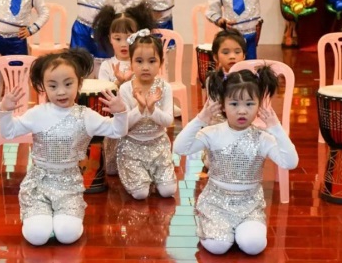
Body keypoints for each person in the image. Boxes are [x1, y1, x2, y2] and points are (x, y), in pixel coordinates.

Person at [0, 48, 128, 246]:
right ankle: (42, 218)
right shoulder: (37, 113)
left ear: (79, 83)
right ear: (43, 87)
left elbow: (118, 131)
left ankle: (60, 220)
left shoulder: (86, 116)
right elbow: (8, 132)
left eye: (68, 84)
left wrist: (121, 113)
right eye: (53, 85)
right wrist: (5, 110)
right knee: (37, 237)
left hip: (69, 186)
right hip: (38, 184)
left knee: (67, 235)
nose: (61, 91)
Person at [173, 66, 298, 256]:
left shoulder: (263, 138)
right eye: (234, 104)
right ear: (222, 105)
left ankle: (239, 231)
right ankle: (218, 228)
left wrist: (275, 127)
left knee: (253, 246)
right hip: (216, 203)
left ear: (259, 105)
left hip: (250, 205)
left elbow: (290, 162)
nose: (242, 111)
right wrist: (200, 119)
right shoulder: (213, 133)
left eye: (249, 104)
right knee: (218, 247)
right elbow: (180, 148)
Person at [92, 2, 155, 175]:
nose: (123, 44)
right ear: (109, 38)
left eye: (128, 38)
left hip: (140, 121)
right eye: (117, 38)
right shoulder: (106, 66)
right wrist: (118, 83)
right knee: (112, 170)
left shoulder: (142, 62)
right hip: (117, 122)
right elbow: (104, 95)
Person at [117, 29, 175, 200]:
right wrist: (140, 109)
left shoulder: (165, 87)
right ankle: (138, 175)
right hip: (132, 146)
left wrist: (152, 109)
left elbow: (168, 121)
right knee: (140, 194)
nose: (145, 67)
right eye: (139, 61)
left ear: (161, 63)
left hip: (159, 146)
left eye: (152, 61)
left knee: (168, 191)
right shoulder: (125, 89)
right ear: (131, 62)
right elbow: (123, 125)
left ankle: (153, 175)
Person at [200, 27, 248, 172]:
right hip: (220, 125)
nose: (232, 57)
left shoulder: (249, 79)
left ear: (244, 55)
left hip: (243, 124)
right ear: (215, 57)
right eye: (225, 52)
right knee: (211, 163)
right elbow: (215, 111)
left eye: (237, 52)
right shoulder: (212, 80)